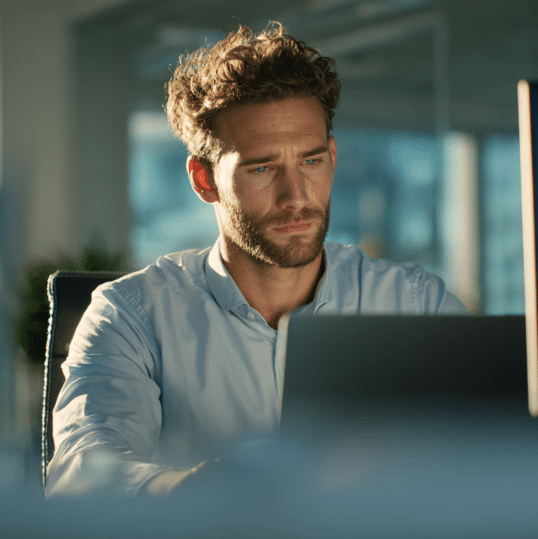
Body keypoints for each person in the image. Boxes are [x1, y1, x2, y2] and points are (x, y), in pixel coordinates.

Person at [45, 22, 466, 497]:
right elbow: (82, 475)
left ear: (331, 156)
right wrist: (191, 490)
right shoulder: (131, 316)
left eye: (310, 161)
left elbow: (501, 455)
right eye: (262, 168)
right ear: (204, 180)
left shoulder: (414, 304)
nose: (296, 197)